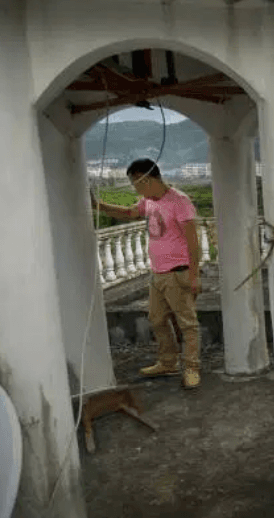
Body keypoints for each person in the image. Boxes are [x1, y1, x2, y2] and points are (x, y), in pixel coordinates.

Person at [91, 159, 203, 389]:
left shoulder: (179, 201)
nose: (136, 189)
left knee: (187, 324)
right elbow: (130, 212)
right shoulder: (149, 201)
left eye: (137, 184)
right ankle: (168, 362)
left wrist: (194, 276)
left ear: (148, 179)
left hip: (177, 272)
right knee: (157, 319)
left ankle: (192, 368)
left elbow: (193, 242)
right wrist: (97, 205)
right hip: (157, 273)